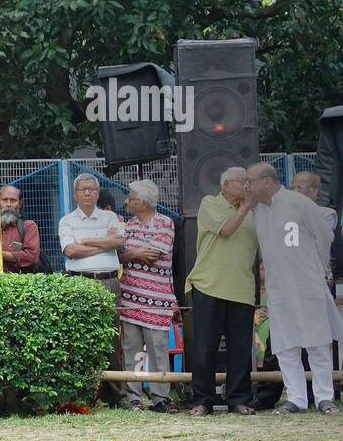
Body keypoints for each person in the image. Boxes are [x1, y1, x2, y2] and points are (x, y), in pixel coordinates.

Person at [246, 162, 343, 414]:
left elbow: (325, 237)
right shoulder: (256, 209)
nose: (248, 186)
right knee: (285, 345)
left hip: (307, 284)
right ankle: (296, 398)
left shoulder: (300, 203)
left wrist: (315, 269)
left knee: (318, 343)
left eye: (251, 181)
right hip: (277, 288)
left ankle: (324, 397)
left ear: (266, 182)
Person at [185, 167, 259, 416]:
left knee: (240, 349)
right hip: (209, 285)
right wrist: (246, 206)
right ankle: (202, 401)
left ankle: (238, 399)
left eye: (249, 183)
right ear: (226, 185)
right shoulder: (210, 203)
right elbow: (226, 230)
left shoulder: (253, 212)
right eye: (242, 182)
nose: (247, 187)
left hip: (242, 288)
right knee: (205, 347)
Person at [59, 173, 127, 404]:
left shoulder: (110, 217)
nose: (87, 193)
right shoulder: (67, 221)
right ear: (75, 194)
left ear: (98, 193)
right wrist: (102, 245)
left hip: (109, 282)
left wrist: (85, 241)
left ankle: (117, 396)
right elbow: (70, 251)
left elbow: (118, 242)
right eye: (83, 189)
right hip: (79, 281)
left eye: (91, 189)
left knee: (111, 337)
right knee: (81, 338)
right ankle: (85, 395)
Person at [118, 180, 179, 412]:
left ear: (142, 202)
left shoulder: (166, 223)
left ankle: (160, 396)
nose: (126, 201)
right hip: (131, 299)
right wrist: (134, 254)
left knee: (157, 350)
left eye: (130, 198)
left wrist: (131, 253)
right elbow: (121, 257)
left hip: (157, 300)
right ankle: (135, 397)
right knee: (133, 351)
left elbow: (153, 255)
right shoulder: (127, 225)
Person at [0, 184, 42, 273]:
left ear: (20, 204)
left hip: (21, 284)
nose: (8, 204)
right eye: (4, 200)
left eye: (13, 200)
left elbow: (31, 257)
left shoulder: (29, 226)